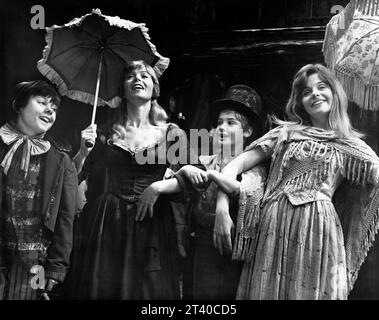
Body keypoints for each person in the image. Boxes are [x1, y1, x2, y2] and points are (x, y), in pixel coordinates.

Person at [213, 64, 379, 300]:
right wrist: (222, 208)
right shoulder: (285, 133)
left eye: (322, 87)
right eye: (307, 92)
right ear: (300, 101)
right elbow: (234, 166)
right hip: (274, 225)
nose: (315, 94)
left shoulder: (350, 144)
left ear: (335, 92)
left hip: (317, 228)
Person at [67, 60, 204, 299]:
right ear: (123, 88)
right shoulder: (107, 131)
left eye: (145, 76)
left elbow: (197, 177)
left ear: (155, 88)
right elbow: (75, 176)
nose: (137, 79)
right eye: (130, 76)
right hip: (108, 221)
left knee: (147, 291)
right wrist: (82, 151)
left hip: (152, 221)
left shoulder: (171, 133)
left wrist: (158, 187)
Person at [137, 85, 267, 299]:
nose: (222, 128)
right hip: (202, 249)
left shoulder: (256, 168)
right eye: (219, 123)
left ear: (247, 131)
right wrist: (161, 184)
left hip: (237, 251)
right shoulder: (206, 162)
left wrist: (214, 177)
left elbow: (245, 191)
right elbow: (184, 183)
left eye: (231, 123)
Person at [0, 80, 77, 300]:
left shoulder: (61, 161)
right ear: (18, 105)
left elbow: (65, 219)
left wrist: (56, 267)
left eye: (53, 108)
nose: (49, 110)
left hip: (35, 262)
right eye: (42, 102)